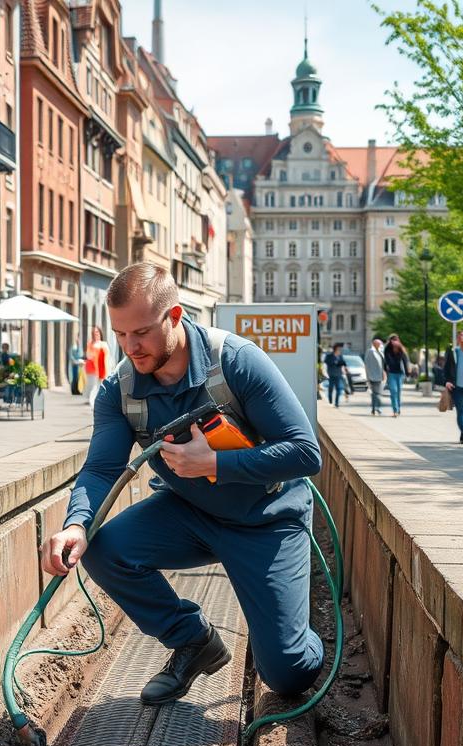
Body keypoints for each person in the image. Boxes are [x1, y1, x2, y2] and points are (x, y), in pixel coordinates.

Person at [40, 264, 324, 706]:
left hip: (266, 521)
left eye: (142, 333)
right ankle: (193, 641)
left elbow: (306, 452)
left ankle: (295, 634)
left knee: (287, 674)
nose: (130, 347)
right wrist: (76, 524)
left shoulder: (235, 362)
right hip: (189, 513)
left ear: (174, 316)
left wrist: (215, 462)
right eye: (120, 334)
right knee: (103, 547)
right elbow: (100, 470)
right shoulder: (120, 390)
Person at [383, 334, 412, 417]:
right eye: (393, 340)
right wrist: (385, 371)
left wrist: (407, 373)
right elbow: (386, 361)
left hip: (400, 374)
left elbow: (406, 361)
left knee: (398, 392)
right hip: (391, 373)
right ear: (391, 341)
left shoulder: (401, 349)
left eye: (396, 340)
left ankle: (398, 409)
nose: (395, 342)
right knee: (393, 391)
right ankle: (395, 410)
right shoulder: (387, 349)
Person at [84, 326, 110, 407]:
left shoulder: (104, 344)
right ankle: (93, 402)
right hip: (92, 369)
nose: (96, 334)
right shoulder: (91, 344)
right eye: (94, 332)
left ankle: (98, 402)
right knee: (93, 386)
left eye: (97, 332)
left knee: (99, 386)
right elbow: (89, 355)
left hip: (102, 369)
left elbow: (107, 357)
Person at [364, 336, 386, 415]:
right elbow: (366, 364)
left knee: (376, 393)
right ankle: (376, 407)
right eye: (379, 344)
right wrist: (368, 376)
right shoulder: (370, 352)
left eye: (380, 344)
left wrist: (383, 373)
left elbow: (382, 365)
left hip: (379, 376)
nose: (380, 345)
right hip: (372, 375)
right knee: (376, 393)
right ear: (374, 344)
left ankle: (374, 408)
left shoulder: (380, 352)